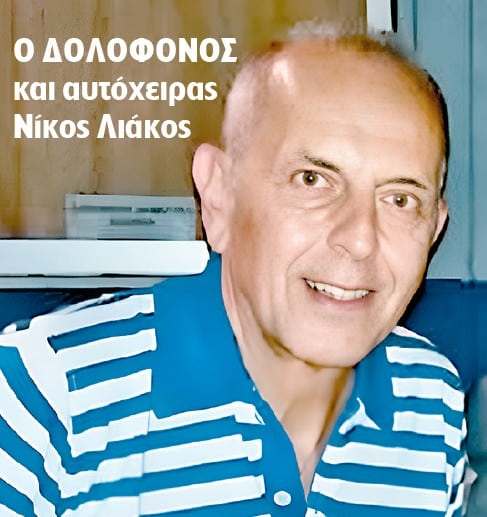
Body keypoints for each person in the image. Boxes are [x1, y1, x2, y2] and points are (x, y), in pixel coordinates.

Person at [0, 26, 466, 516]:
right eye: (312, 179)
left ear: (433, 231)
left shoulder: (430, 401)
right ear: (220, 197)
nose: (360, 238)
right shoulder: (44, 391)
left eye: (400, 200)